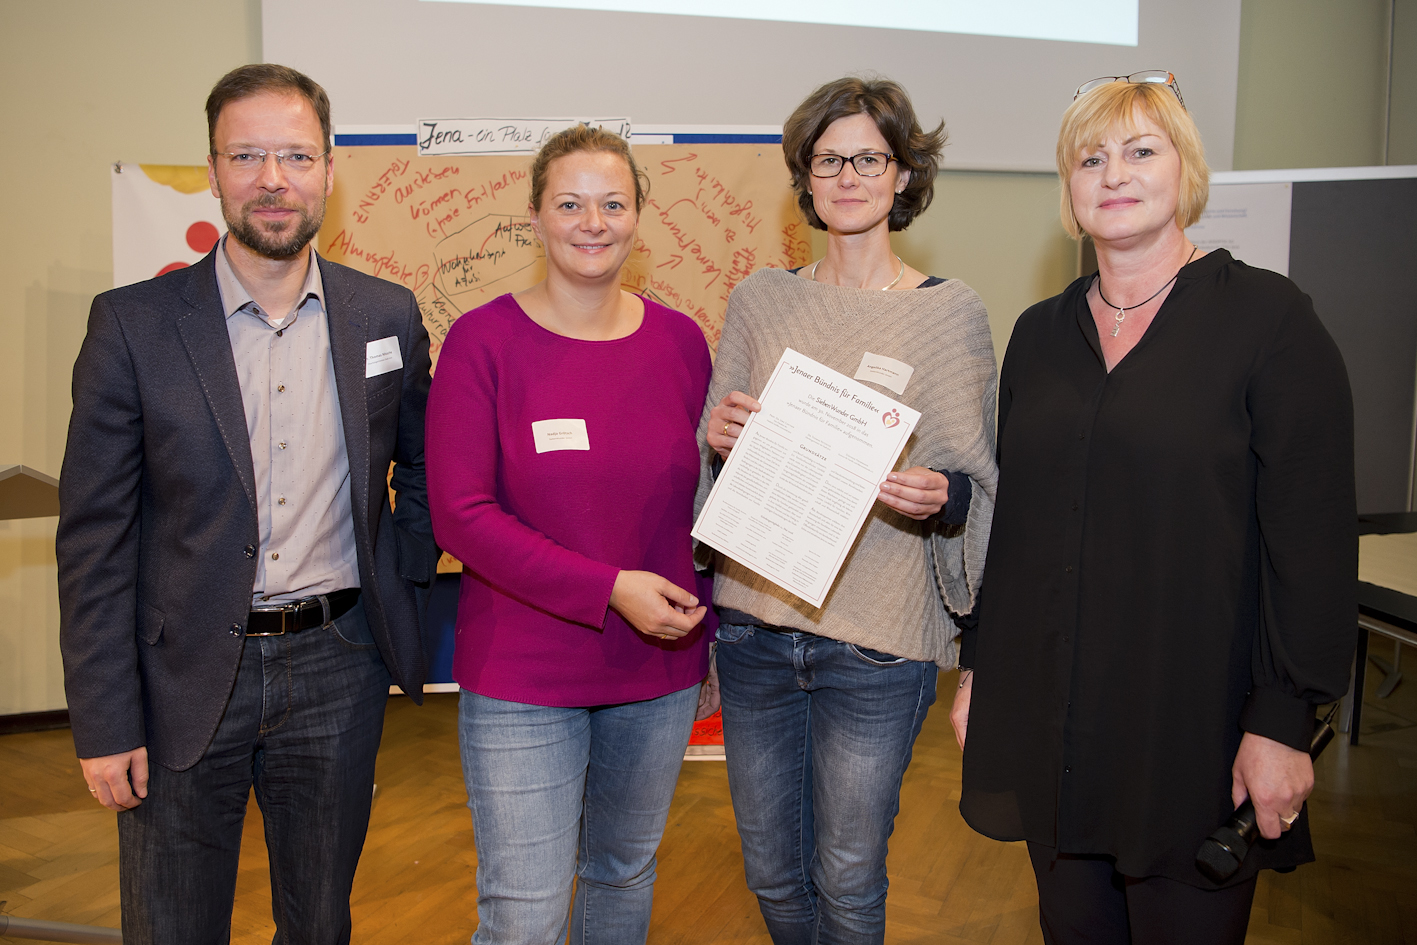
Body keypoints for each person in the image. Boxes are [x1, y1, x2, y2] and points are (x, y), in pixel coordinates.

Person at [953, 72, 1356, 944]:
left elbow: (1311, 542)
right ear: (1068, 187)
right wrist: (979, 669)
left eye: (1140, 150)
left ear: (1186, 169)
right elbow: (1016, 529)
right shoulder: (1038, 334)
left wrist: (1282, 723)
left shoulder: (1269, 320)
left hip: (1193, 727)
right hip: (1054, 721)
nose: (1113, 174)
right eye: (1089, 158)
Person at [56, 63, 437, 945]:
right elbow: (95, 542)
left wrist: (402, 584)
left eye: (296, 155)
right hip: (181, 674)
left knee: (319, 924)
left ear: (330, 170)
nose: (273, 179)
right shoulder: (132, 325)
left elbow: (420, 466)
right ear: (213, 169)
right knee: (174, 925)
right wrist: (104, 720)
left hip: (338, 664)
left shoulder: (385, 314)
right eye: (247, 155)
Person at [699, 76, 998, 943]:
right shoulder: (759, 299)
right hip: (755, 631)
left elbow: (978, 484)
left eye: (868, 158)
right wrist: (717, 440)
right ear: (805, 176)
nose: (848, 176)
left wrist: (943, 496)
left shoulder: (950, 314)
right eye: (827, 160)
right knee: (771, 870)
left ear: (903, 173)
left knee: (848, 873)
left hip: (876, 644)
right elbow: (713, 464)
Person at [425, 124, 715, 945]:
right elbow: (460, 514)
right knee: (524, 910)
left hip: (655, 667)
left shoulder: (681, 342)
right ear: (535, 216)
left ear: (637, 217)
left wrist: (710, 642)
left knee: (622, 874)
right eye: (570, 204)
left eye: (612, 204)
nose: (593, 223)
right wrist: (608, 588)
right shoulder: (483, 341)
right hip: (523, 674)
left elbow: (705, 506)